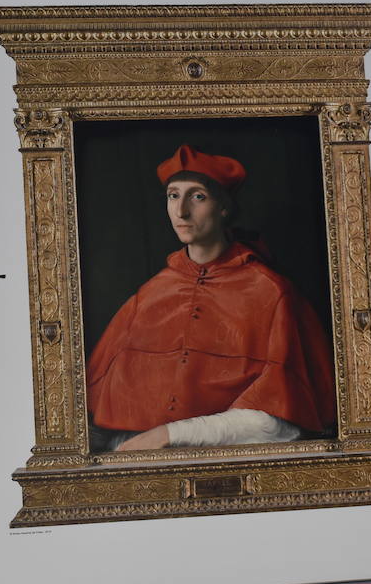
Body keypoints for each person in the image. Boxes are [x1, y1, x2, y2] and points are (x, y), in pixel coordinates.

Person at [87, 144, 335, 452]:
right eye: (173, 196)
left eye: (198, 197)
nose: (181, 211)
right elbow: (96, 415)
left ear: (224, 207)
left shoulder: (271, 292)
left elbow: (281, 422)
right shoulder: (149, 295)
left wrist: (169, 434)